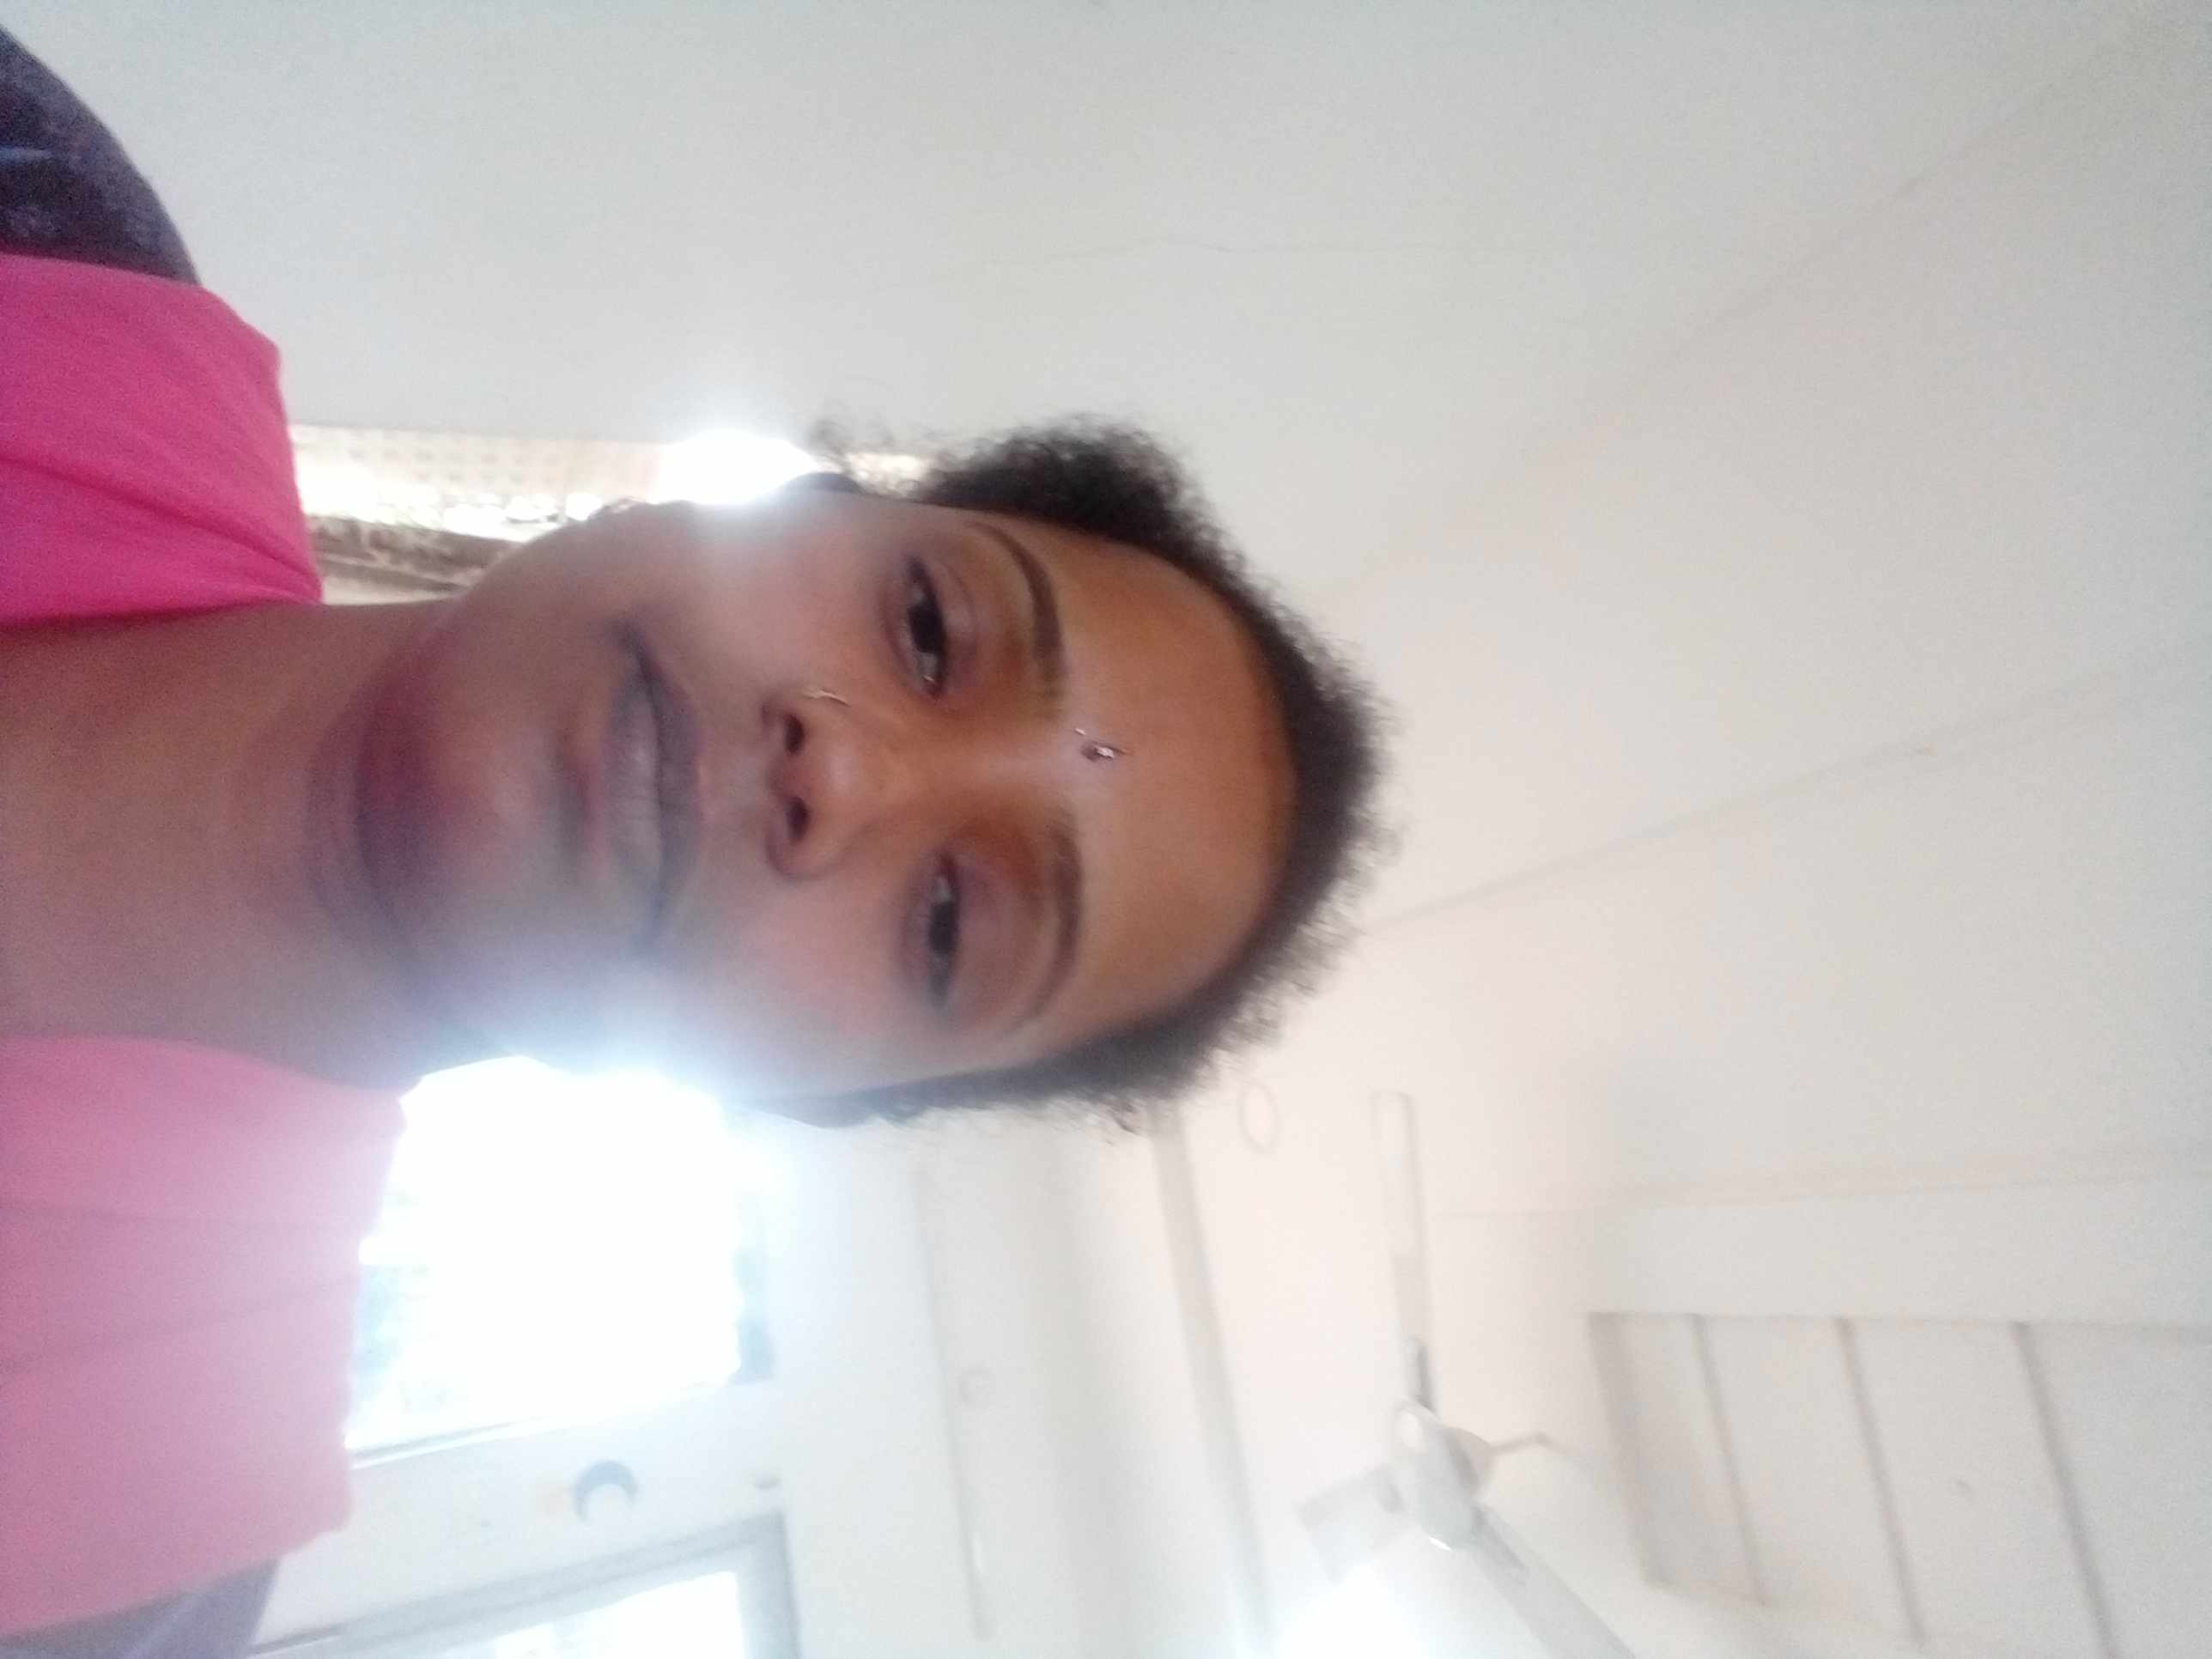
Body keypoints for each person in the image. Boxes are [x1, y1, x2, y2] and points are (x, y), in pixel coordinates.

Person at [0, 23, 1382, 1652]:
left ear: (808, 1097)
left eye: (954, 924)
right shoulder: (48, 235)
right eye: (929, 628)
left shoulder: (116, 1553)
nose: (845, 775)